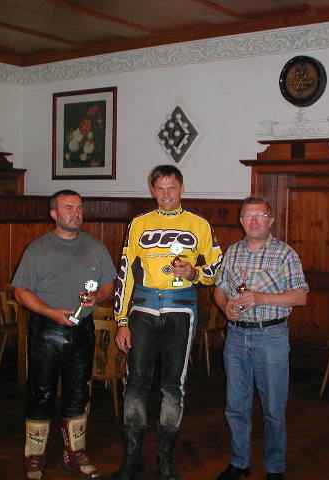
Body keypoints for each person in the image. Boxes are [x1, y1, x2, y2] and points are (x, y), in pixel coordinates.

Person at [112, 165, 223, 480]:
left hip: (181, 310)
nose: (166, 194)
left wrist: (195, 273)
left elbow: (217, 270)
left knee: (174, 386)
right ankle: (132, 459)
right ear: (152, 190)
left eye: (171, 187)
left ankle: (166, 460)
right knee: (135, 383)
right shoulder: (139, 224)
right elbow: (125, 273)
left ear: (182, 188)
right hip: (143, 310)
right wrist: (121, 319)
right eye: (159, 188)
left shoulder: (199, 225)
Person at [12, 189, 117, 480]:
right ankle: (34, 456)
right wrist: (50, 312)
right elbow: (20, 292)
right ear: (54, 214)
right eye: (68, 207)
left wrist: (98, 298)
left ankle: (75, 452)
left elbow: (108, 286)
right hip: (46, 329)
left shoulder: (96, 248)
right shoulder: (37, 249)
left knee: (79, 392)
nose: (76, 212)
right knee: (41, 392)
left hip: (82, 330)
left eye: (79, 207)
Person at [214, 197, 308, 480]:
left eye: (260, 216)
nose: (254, 221)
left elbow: (300, 296)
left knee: (273, 408)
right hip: (236, 336)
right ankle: (239, 462)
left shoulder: (285, 254)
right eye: (248, 216)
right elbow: (219, 290)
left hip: (271, 337)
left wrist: (260, 298)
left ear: (271, 220)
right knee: (235, 406)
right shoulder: (232, 252)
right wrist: (225, 307)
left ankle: (275, 468)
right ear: (241, 221)